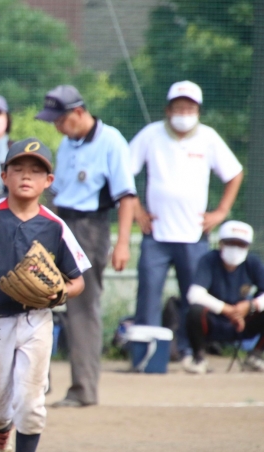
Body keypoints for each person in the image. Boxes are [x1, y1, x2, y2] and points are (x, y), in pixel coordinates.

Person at [0, 138, 89, 451]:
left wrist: (60, 294)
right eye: (18, 169)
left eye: (35, 170)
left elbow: (77, 281)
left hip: (36, 319)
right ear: (4, 176)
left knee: (31, 403)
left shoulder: (54, 225)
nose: (26, 176)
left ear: (48, 180)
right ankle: (1, 428)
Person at [36, 85, 136, 408]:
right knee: (36, 294)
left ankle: (83, 389)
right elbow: (57, 192)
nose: (56, 126)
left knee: (82, 306)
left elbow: (126, 196)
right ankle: (36, 382)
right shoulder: (68, 143)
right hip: (59, 220)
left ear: (79, 112)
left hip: (90, 227)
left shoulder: (111, 141)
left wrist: (122, 243)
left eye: (60, 119)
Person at [130, 81, 244, 358]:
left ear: (198, 111)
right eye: (179, 107)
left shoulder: (209, 138)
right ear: (168, 110)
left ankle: (190, 350)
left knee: (194, 296)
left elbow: (234, 173)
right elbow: (124, 172)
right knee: (148, 293)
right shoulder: (150, 135)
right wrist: (136, 211)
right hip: (156, 234)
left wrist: (221, 212)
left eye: (190, 108)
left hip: (194, 236)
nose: (184, 113)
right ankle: (147, 354)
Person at [184, 221, 264, 373]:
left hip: (243, 322)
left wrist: (250, 306)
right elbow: (194, 294)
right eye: (230, 243)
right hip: (214, 320)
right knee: (195, 311)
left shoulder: (252, 263)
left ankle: (256, 355)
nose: (235, 248)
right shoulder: (209, 260)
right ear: (221, 243)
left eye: (241, 244)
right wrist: (228, 310)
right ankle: (199, 358)